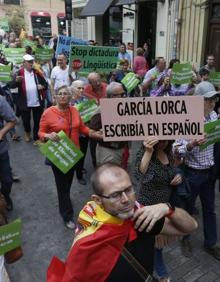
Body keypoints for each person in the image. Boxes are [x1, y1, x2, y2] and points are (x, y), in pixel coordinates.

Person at [47, 163, 197, 282]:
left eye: (129, 189)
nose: (126, 199)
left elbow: (190, 227)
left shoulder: (141, 215)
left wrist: (168, 208)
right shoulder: (88, 242)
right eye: (115, 195)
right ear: (98, 200)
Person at [38, 85, 102, 229]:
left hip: (73, 155)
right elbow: (40, 133)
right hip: (59, 155)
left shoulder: (74, 110)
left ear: (70, 96)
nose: (62, 96)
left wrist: (93, 133)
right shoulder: (48, 113)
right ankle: (66, 215)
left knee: (67, 184)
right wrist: (48, 135)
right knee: (62, 187)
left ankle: (65, 199)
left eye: (65, 94)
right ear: (55, 97)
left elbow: (82, 128)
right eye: (60, 94)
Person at [174, 81, 220, 260]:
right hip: (193, 173)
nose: (213, 103)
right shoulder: (187, 119)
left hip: (210, 172)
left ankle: (211, 244)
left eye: (214, 99)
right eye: (209, 100)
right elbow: (176, 148)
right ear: (199, 101)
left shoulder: (214, 116)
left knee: (210, 209)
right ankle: (185, 238)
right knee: (187, 208)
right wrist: (192, 143)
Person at [135, 137, 182, 281]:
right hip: (149, 205)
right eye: (160, 141)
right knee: (153, 241)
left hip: (164, 203)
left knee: (156, 241)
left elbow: (173, 169)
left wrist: (178, 175)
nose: (163, 144)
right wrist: (148, 152)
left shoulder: (168, 152)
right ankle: (161, 273)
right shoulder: (145, 152)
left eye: (166, 141)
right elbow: (139, 174)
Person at [89, 82, 128, 166]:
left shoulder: (125, 108)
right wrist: (109, 135)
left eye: (124, 94)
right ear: (112, 96)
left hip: (123, 149)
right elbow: (91, 133)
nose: (124, 96)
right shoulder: (101, 110)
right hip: (108, 152)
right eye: (121, 94)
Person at [15, 54, 48, 144]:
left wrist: (43, 86)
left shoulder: (37, 72)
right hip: (25, 102)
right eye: (29, 62)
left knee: (37, 121)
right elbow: (12, 86)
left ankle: (36, 137)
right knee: (26, 120)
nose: (31, 63)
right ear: (24, 63)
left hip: (37, 102)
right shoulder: (19, 73)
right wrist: (16, 81)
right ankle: (27, 132)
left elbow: (46, 84)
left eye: (32, 61)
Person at [0, 95, 17, 211]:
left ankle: (5, 196)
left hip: (1, 150)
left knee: (7, 180)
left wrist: (1, 133)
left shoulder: (0, 100)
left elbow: (12, 120)